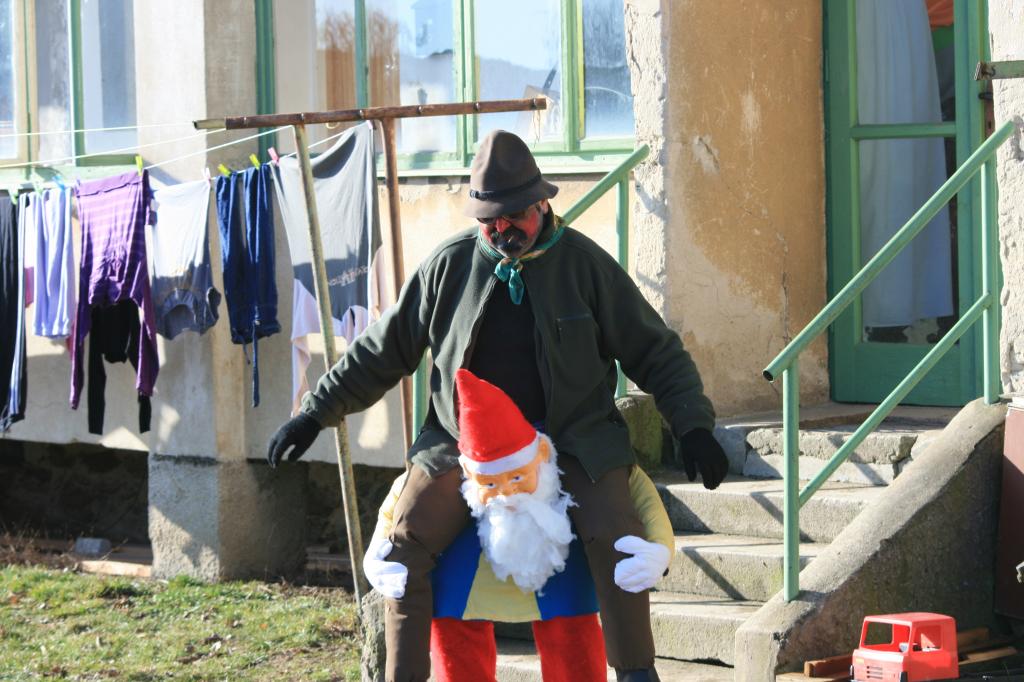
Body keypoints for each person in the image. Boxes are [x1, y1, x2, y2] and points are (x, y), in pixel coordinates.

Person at [267, 129, 729, 682]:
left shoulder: (585, 265)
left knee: (618, 536)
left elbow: (656, 351)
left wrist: (693, 426)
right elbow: (381, 350)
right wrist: (315, 412)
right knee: (403, 546)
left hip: (575, 440)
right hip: (461, 446)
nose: (504, 229)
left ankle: (636, 672)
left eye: (516, 216)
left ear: (542, 205)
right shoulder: (449, 266)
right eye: (491, 220)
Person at [364, 369, 676, 682]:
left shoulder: (569, 469)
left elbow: (638, 492)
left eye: (516, 477)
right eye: (490, 483)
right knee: (455, 642)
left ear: (541, 455)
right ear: (468, 473)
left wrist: (660, 548)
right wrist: (375, 555)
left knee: (572, 641)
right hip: (469, 575)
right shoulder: (443, 486)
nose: (507, 493)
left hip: (556, 574)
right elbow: (398, 507)